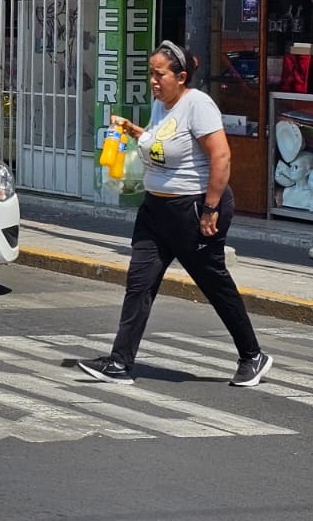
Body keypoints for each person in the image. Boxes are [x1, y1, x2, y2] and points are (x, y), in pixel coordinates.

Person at [79, 40, 274, 388]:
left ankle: (252, 355)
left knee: (214, 283)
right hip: (156, 210)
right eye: (150, 74)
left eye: (159, 74)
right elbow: (161, 146)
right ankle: (120, 363)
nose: (153, 81)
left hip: (194, 208)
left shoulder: (197, 105)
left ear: (181, 77)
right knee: (139, 284)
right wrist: (133, 130)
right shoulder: (160, 105)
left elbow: (222, 158)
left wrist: (211, 207)